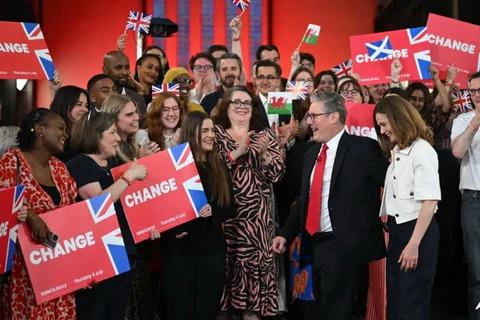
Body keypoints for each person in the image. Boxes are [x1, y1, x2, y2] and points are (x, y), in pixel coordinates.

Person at [272, 92, 388, 320]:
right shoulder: (310, 153)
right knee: (324, 306)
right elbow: (304, 200)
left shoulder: (363, 148)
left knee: (337, 308)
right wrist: (285, 234)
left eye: (314, 115)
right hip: (315, 244)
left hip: (346, 245)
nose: (309, 121)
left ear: (334, 116)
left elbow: (391, 185)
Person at [67, 111, 154, 319]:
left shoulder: (114, 166)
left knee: (116, 311)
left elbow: (130, 205)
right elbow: (98, 204)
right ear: (95, 135)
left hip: (122, 252)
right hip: (95, 256)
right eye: (112, 132)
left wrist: (149, 225)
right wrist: (129, 176)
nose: (117, 138)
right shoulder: (79, 164)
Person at [215, 85, 286, 319]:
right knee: (226, 277)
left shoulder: (265, 136)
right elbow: (208, 174)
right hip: (227, 219)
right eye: (237, 102)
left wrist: (264, 153)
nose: (242, 107)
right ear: (226, 107)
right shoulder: (215, 135)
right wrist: (238, 151)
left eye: (247, 103)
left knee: (253, 304)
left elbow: (277, 175)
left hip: (258, 222)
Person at [0, 108, 77, 319]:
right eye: (61, 128)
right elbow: (3, 211)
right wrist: (31, 216)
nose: (65, 134)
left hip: (59, 267)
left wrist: (82, 267)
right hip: (24, 271)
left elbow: (73, 217)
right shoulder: (9, 164)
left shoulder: (60, 168)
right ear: (40, 130)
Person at [161, 111, 236, 320]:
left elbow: (231, 207)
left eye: (212, 130)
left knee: (207, 312)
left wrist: (214, 210)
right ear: (191, 133)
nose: (211, 135)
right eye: (205, 130)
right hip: (179, 254)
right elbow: (162, 208)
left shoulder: (219, 165)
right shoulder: (172, 167)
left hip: (211, 253)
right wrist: (173, 231)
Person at [374, 95, 441, 319]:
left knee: (410, 303)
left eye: (384, 124)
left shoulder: (422, 150)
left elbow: (430, 201)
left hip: (416, 233)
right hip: (400, 232)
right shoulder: (399, 152)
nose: (382, 131)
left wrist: (413, 244)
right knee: (398, 301)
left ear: (399, 118)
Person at [451, 71, 480, 319]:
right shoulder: (463, 120)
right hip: (474, 200)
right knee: (477, 270)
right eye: (473, 91)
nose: (477, 95)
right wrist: (477, 120)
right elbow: (458, 152)